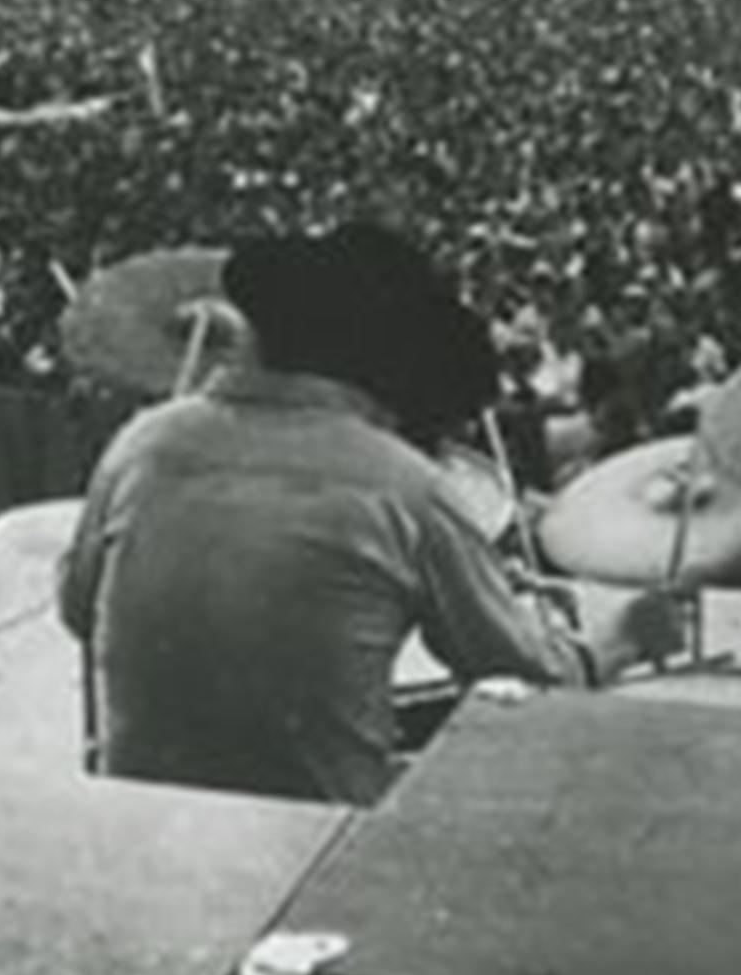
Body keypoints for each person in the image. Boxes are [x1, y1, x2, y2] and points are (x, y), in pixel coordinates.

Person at [58, 224, 677, 806]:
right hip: (312, 845)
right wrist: (619, 640)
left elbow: (78, 605)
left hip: (136, 823)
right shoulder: (403, 485)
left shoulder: (141, 442)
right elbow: (530, 676)